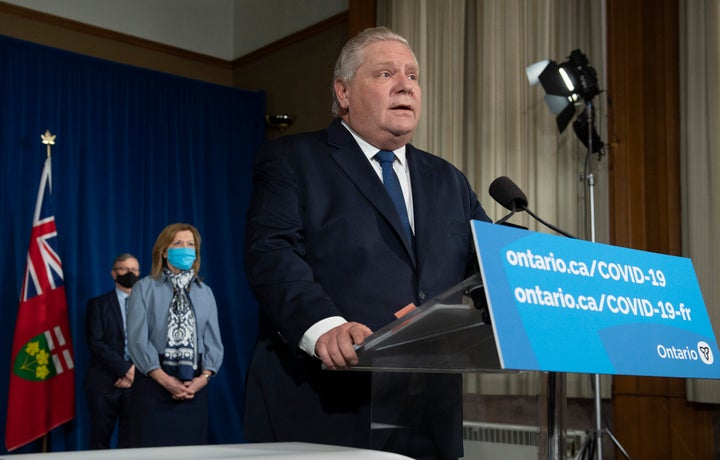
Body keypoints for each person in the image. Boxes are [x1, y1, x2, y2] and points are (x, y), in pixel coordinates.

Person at [243, 26, 491, 460]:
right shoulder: (293, 160)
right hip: (327, 400)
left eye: (413, 76)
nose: (405, 86)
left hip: (428, 408)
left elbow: (489, 267)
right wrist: (324, 327)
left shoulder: (448, 178)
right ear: (343, 92)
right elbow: (272, 254)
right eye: (385, 74)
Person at [126, 223, 223, 447]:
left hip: (194, 383)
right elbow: (137, 340)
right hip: (154, 381)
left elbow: (213, 341)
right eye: (178, 243)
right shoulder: (144, 287)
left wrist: (203, 378)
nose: (186, 249)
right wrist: (164, 379)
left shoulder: (205, 292)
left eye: (190, 244)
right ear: (164, 250)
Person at [84, 253, 139, 449]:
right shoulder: (98, 305)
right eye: (124, 269)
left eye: (134, 270)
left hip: (136, 385)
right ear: (114, 274)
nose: (130, 273)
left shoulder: (147, 306)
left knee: (131, 443)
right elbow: (96, 343)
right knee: (100, 442)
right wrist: (126, 370)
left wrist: (133, 373)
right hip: (103, 383)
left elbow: (152, 343)